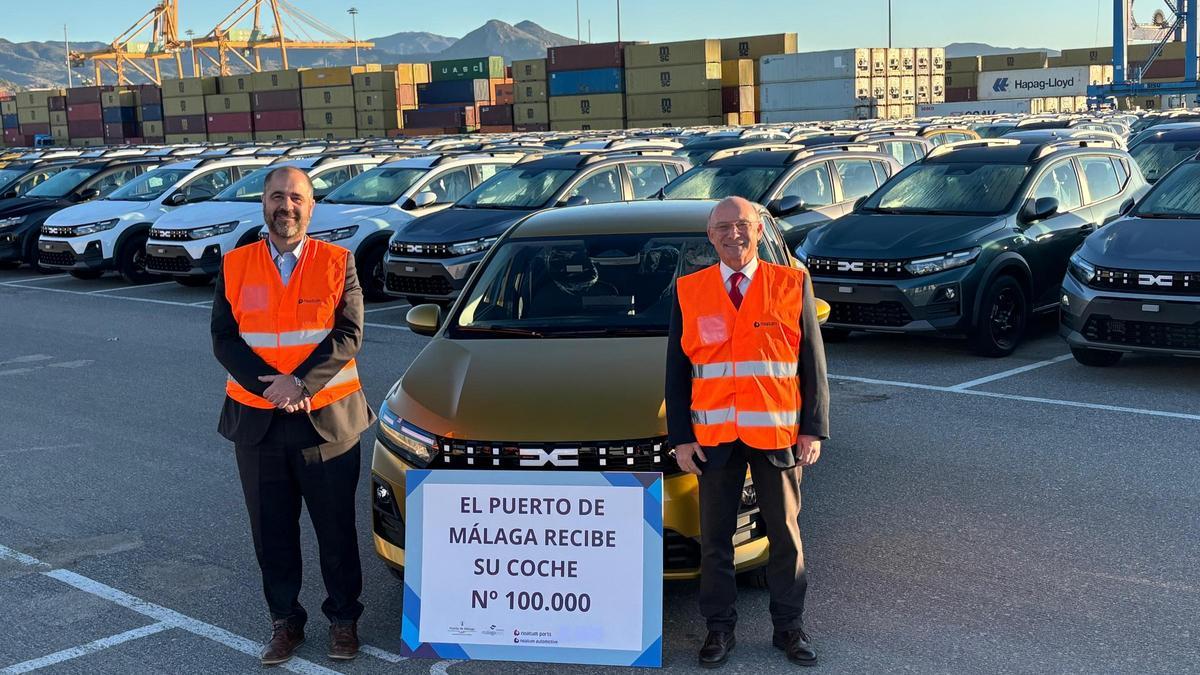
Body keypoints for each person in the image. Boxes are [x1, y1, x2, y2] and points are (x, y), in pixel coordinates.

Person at [210, 166, 375, 665]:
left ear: (312, 205)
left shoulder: (337, 261)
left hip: (326, 420)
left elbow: (349, 333)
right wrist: (274, 386)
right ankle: (285, 622)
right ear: (263, 203)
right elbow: (224, 337)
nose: (287, 206)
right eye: (277, 196)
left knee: (336, 531)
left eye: (296, 197)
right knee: (271, 532)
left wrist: (300, 383)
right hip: (258, 422)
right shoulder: (236, 264)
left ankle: (343, 620)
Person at [665, 196, 829, 668]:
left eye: (742, 225)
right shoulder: (689, 291)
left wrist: (812, 429)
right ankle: (719, 631)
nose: (733, 234)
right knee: (714, 539)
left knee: (785, 535)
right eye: (722, 227)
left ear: (759, 231)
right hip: (713, 438)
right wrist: (681, 437)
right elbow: (676, 373)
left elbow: (812, 366)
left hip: (777, 433)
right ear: (709, 237)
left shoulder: (791, 282)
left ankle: (789, 628)